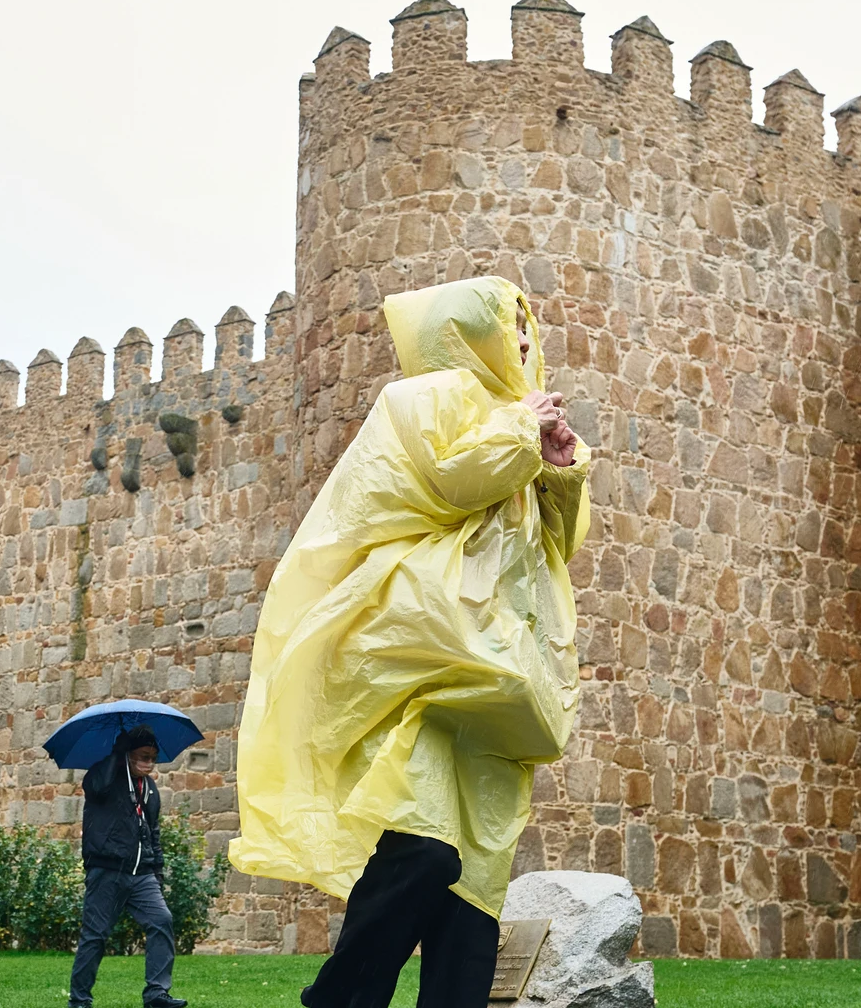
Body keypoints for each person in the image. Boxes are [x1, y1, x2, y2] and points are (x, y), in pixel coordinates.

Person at [229, 275, 591, 1008]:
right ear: (466, 329)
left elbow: (556, 545)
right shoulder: (421, 400)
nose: (524, 340)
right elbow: (448, 481)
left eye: (529, 327)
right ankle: (339, 997)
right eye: (508, 323)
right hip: (430, 661)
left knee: (476, 891)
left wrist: (562, 472)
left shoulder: (514, 417)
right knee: (424, 851)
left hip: (501, 679)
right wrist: (520, 429)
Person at [68, 725, 184, 1008]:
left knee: (161, 921)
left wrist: (157, 873)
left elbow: (153, 833)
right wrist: (116, 755)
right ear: (128, 754)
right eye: (143, 755)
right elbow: (96, 788)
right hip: (106, 870)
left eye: (153, 757)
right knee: (95, 936)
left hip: (142, 874)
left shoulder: (150, 789)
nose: (149, 762)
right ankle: (79, 1000)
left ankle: (156, 994)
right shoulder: (103, 775)